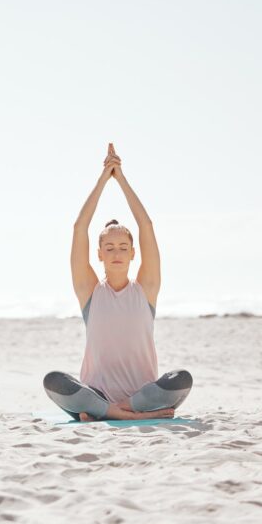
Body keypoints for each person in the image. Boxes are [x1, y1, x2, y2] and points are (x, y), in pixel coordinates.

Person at [43, 144, 192, 421]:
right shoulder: (90, 291)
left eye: (123, 247)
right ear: (98, 254)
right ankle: (125, 413)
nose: (116, 253)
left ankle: (118, 410)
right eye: (109, 247)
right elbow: (79, 228)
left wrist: (120, 178)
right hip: (96, 393)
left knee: (181, 379)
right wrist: (103, 178)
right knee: (53, 380)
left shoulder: (146, 287)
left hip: (143, 394)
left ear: (134, 253)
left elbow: (146, 225)